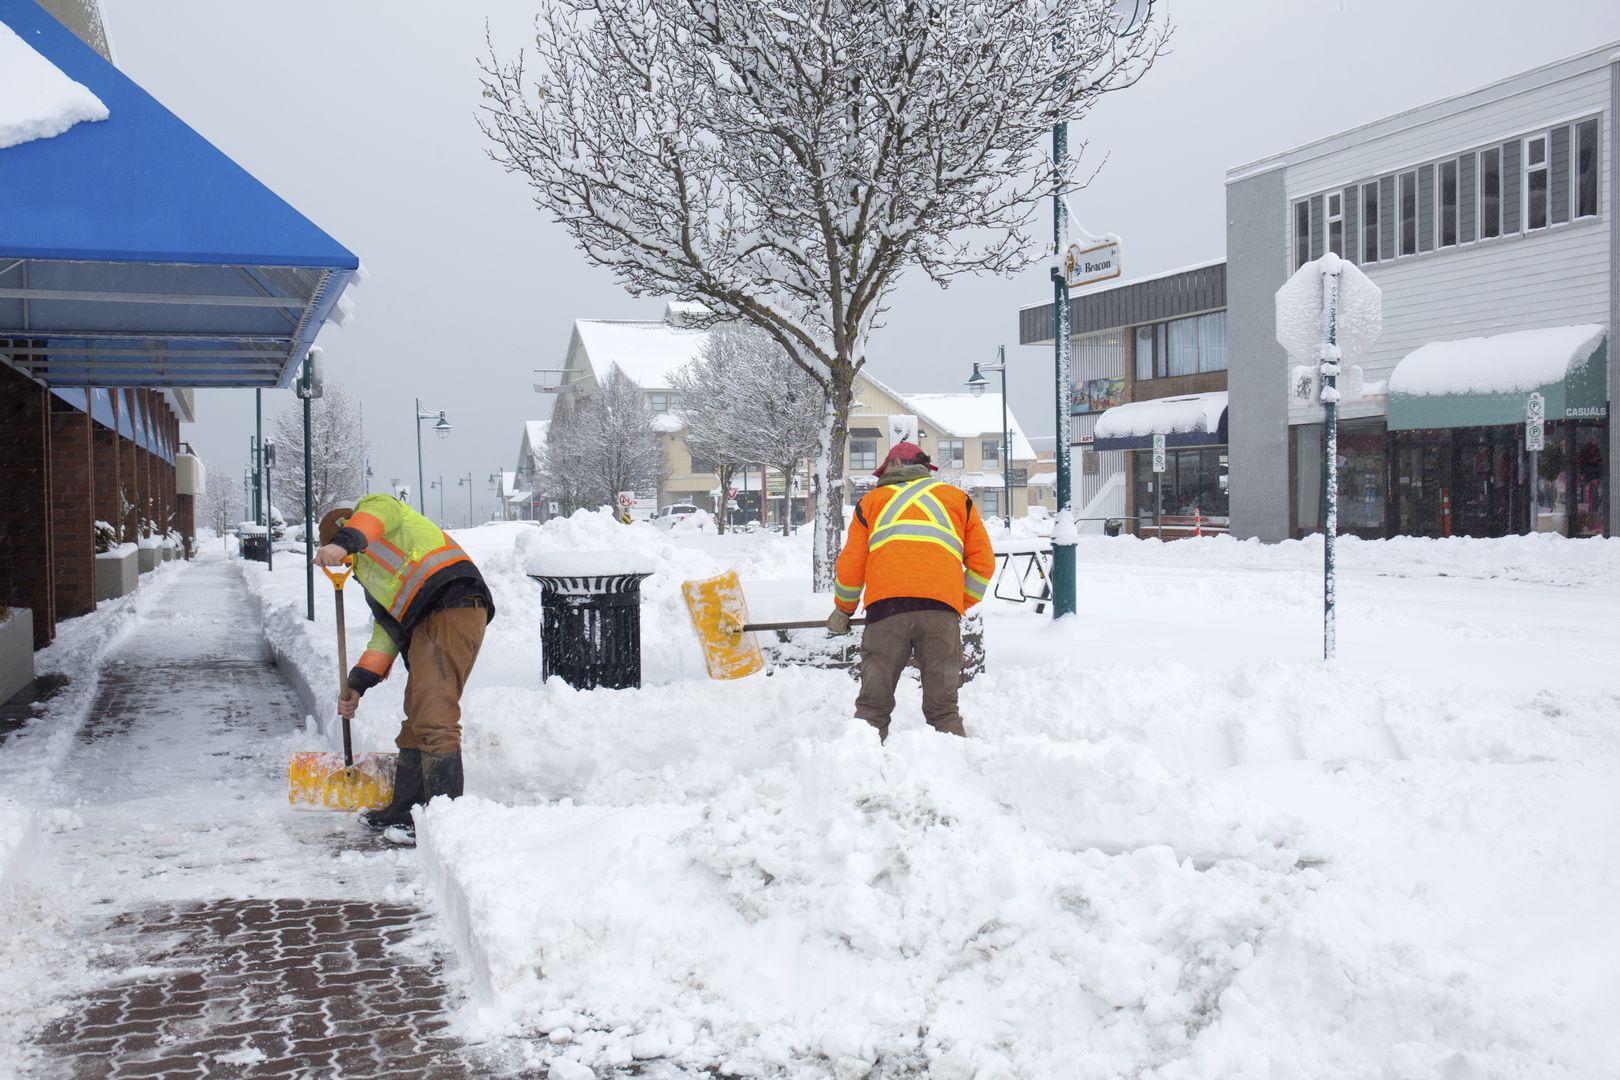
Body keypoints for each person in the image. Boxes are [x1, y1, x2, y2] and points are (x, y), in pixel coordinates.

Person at [312, 492, 495, 833]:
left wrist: (341, 544)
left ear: (346, 531)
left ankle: (447, 824)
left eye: (344, 549)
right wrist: (357, 683)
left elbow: (373, 519)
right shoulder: (368, 571)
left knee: (435, 714)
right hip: (426, 618)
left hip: (453, 601)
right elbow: (386, 632)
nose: (346, 560)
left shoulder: (378, 508)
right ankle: (407, 808)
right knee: (416, 715)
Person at [827, 441, 995, 743]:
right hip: (940, 613)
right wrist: (955, 603)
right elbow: (983, 564)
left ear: (893, 466)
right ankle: (955, 772)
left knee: (872, 709)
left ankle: (859, 769)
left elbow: (851, 565)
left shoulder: (871, 503)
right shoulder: (957, 500)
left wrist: (843, 610)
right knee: (944, 709)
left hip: (886, 612)